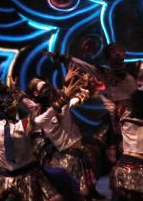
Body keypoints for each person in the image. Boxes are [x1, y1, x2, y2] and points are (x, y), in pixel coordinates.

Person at [0, 76, 63, 201]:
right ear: (13, 111)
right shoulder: (21, 127)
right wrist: (62, 99)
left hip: (7, 180)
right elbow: (44, 116)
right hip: (29, 178)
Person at [30, 69, 101, 199]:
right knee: (75, 194)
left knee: (86, 193)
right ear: (36, 94)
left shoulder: (64, 105)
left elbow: (81, 97)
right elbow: (47, 114)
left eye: (47, 86)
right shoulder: (41, 117)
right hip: (67, 160)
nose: (47, 89)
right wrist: (65, 92)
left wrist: (85, 86)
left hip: (79, 154)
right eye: (42, 88)